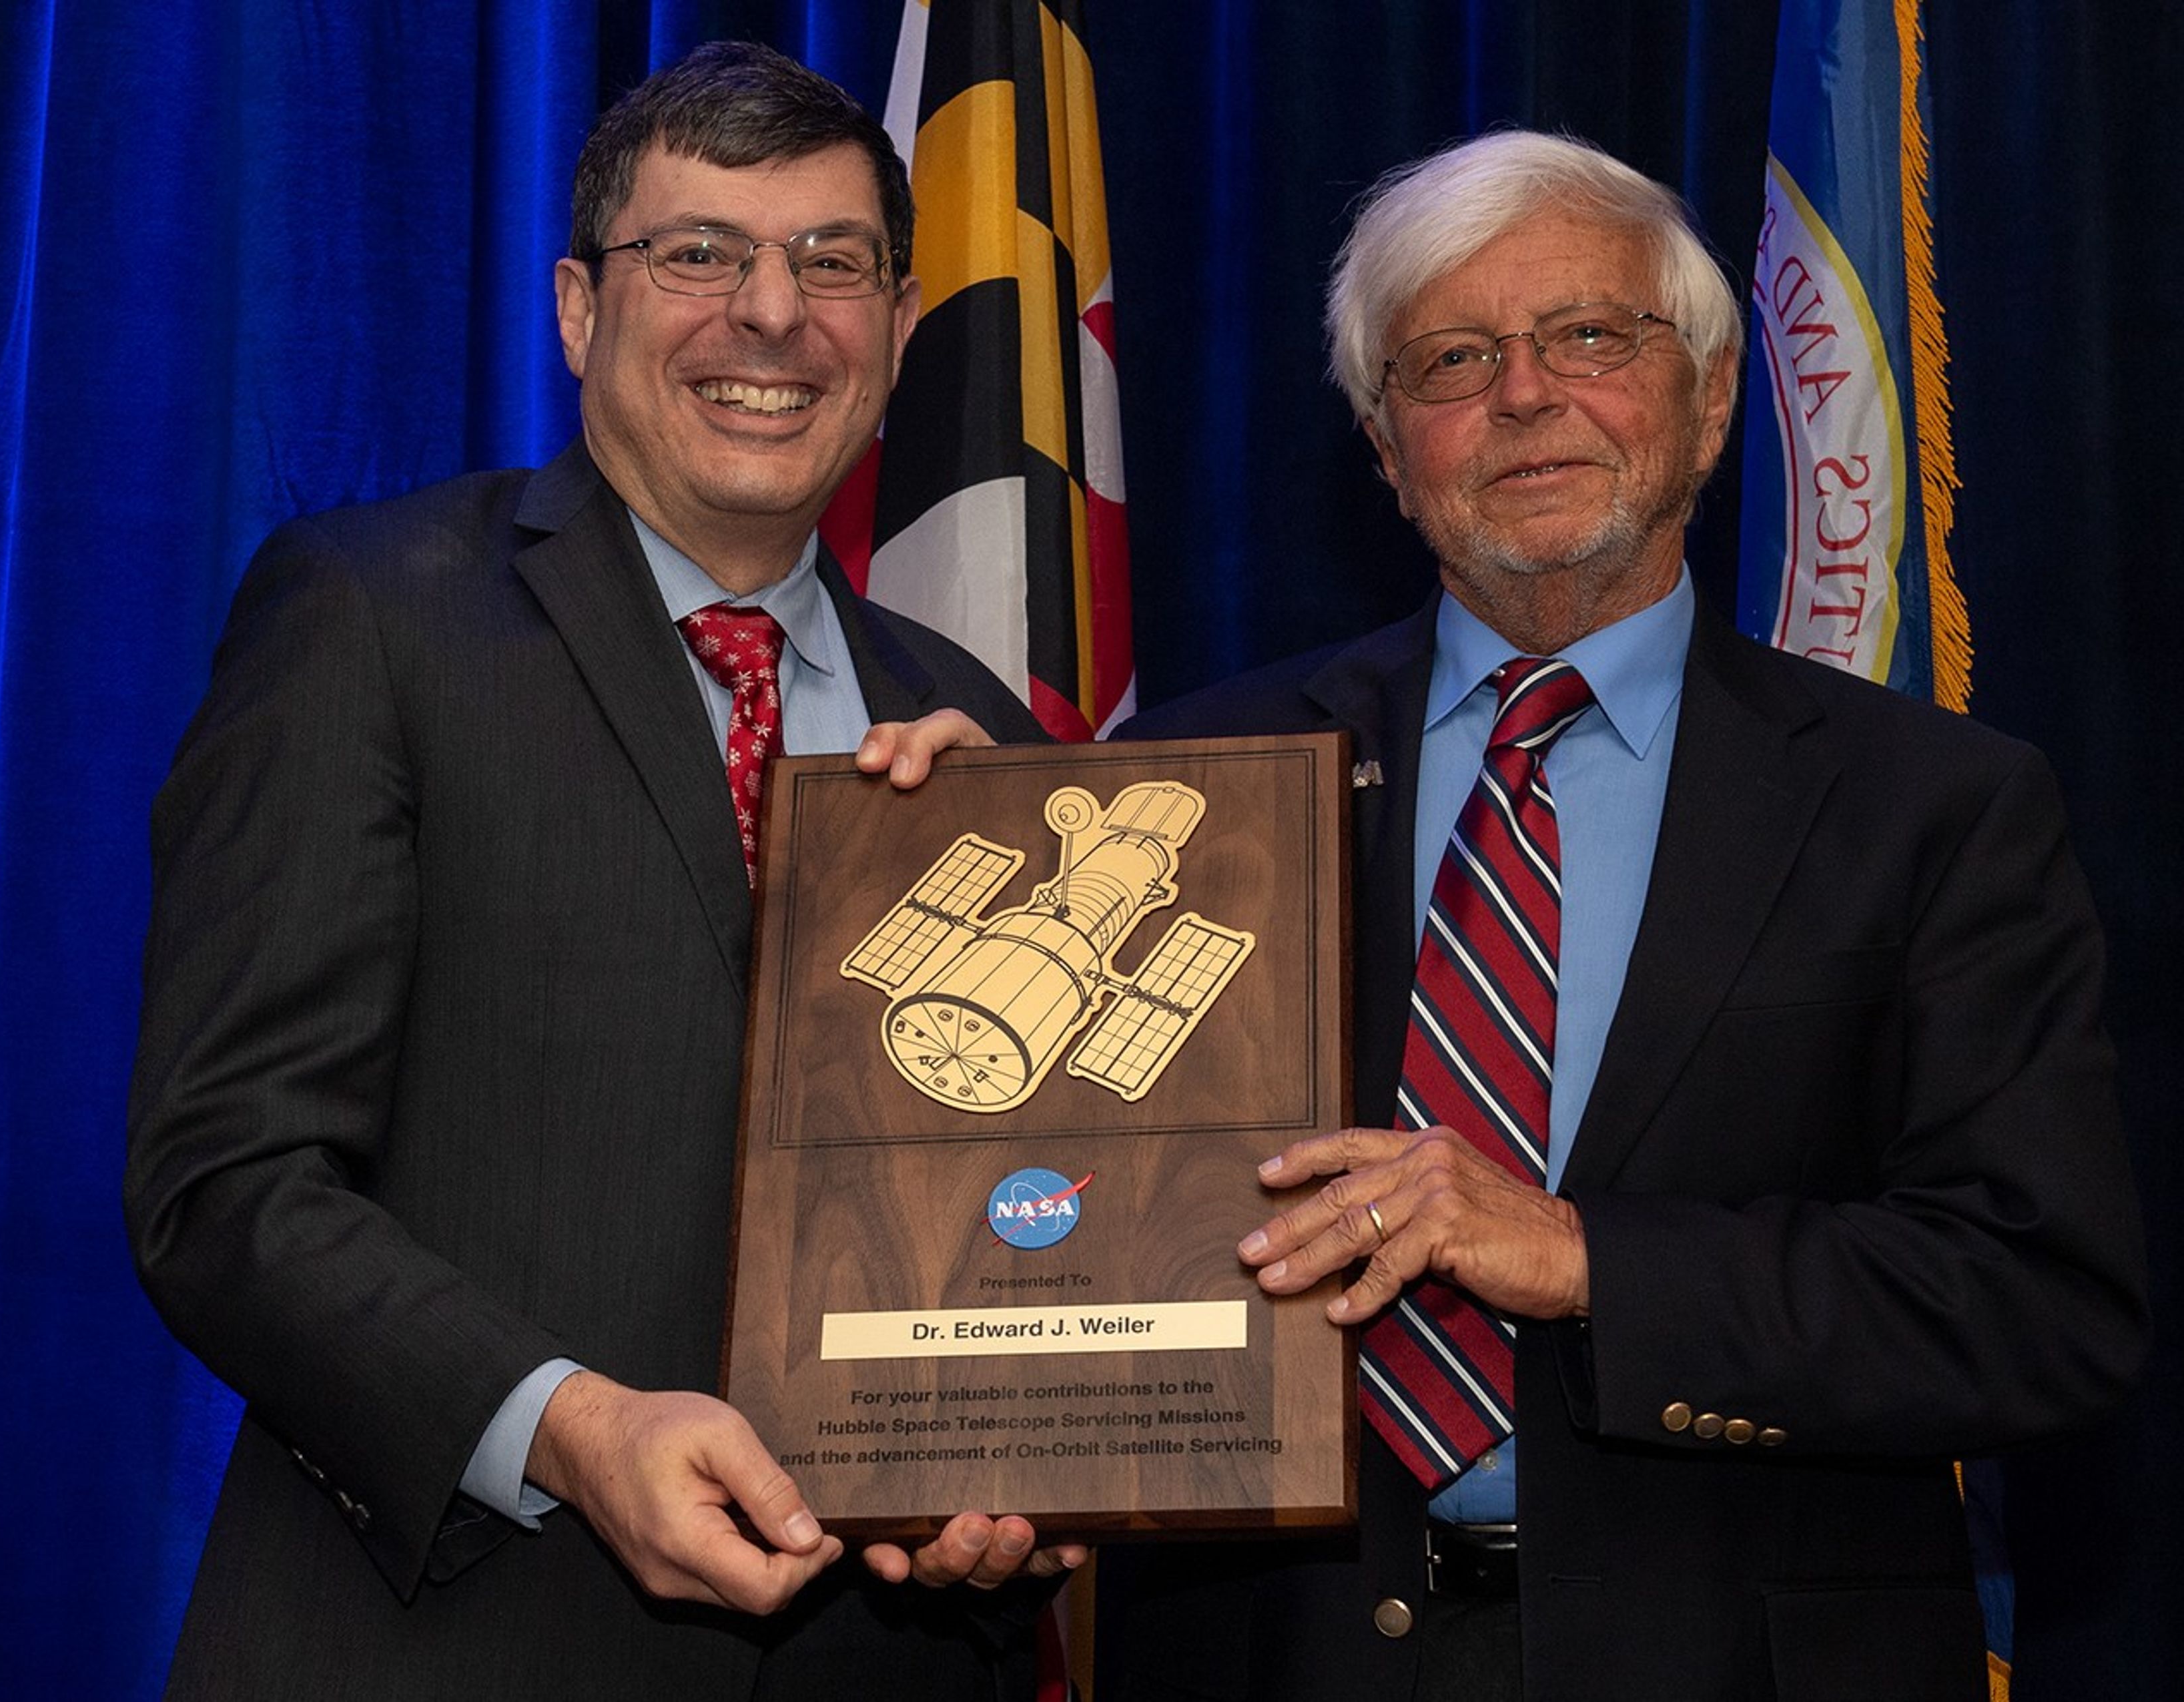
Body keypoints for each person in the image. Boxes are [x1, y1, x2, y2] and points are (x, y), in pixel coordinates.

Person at [1094, 131, 2146, 1701]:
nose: (1524, 396)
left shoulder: (1934, 806)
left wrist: (1588, 1258)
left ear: (1712, 401)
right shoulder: (1185, 781)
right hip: (1273, 1655)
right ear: (1388, 450)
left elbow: (2039, 1306)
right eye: (1452, 359)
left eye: (1591, 336)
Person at [125, 41, 1078, 1701]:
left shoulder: (983, 731)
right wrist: (566, 1427)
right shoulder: (371, 619)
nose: (771, 315)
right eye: (699, 252)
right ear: (580, 309)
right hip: (451, 1645)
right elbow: (226, 1184)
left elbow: (1035, 1214)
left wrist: (1031, 1473)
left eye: (830, 263)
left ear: (903, 329)